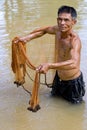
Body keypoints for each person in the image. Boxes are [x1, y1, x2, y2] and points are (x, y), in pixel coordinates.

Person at [15, 5, 85, 104]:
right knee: (54, 102)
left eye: (66, 20)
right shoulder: (57, 30)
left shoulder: (74, 40)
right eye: (60, 19)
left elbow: (74, 63)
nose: (62, 23)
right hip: (58, 78)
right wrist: (27, 38)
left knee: (74, 110)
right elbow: (43, 30)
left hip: (72, 83)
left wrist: (49, 65)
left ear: (73, 22)